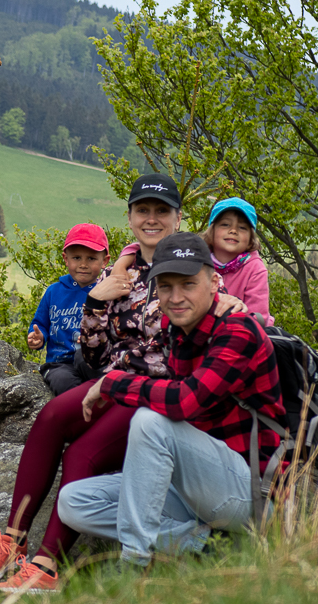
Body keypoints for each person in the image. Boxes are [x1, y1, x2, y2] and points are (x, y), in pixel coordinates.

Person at [0, 173, 246, 594]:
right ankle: (12, 540)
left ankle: (46, 565)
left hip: (155, 396)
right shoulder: (122, 274)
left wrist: (233, 304)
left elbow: (199, 336)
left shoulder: (192, 270)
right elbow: (97, 356)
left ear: (177, 218)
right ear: (129, 217)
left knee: (83, 452)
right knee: (51, 417)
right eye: (142, 210)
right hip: (112, 380)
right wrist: (97, 301)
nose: (151, 219)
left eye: (162, 211)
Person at [58, 232, 286, 566]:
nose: (176, 297)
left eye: (188, 284)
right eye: (165, 287)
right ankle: (207, 546)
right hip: (195, 483)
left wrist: (113, 382)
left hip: (252, 491)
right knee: (74, 502)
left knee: (150, 422)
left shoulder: (237, 331)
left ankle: (133, 564)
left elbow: (184, 402)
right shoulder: (175, 329)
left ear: (214, 283)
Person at [109, 196, 273, 324]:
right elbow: (153, 248)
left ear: (251, 238)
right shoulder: (196, 254)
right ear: (212, 230)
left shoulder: (254, 268)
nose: (233, 231)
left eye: (242, 228)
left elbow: (260, 317)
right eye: (225, 225)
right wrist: (122, 261)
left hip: (235, 329)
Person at [27, 224, 110, 396]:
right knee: (63, 382)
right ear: (66, 259)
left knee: (101, 372)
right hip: (59, 363)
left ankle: (106, 398)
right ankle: (81, 407)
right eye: (77, 258)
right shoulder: (54, 292)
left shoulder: (107, 292)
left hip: (94, 358)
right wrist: (38, 337)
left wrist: (97, 338)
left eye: (91, 259)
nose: (83, 265)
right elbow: (40, 323)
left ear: (105, 261)